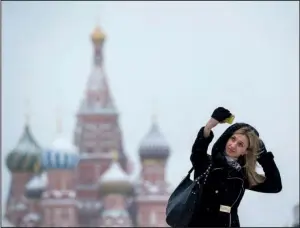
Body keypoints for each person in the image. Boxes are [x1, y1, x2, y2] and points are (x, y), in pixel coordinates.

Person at [189, 107, 282, 227]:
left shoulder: (242, 176)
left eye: (240, 144)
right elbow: (198, 151)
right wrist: (209, 125)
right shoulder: (207, 163)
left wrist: (264, 156)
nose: (233, 145)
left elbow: (275, 186)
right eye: (233, 139)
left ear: (245, 151)